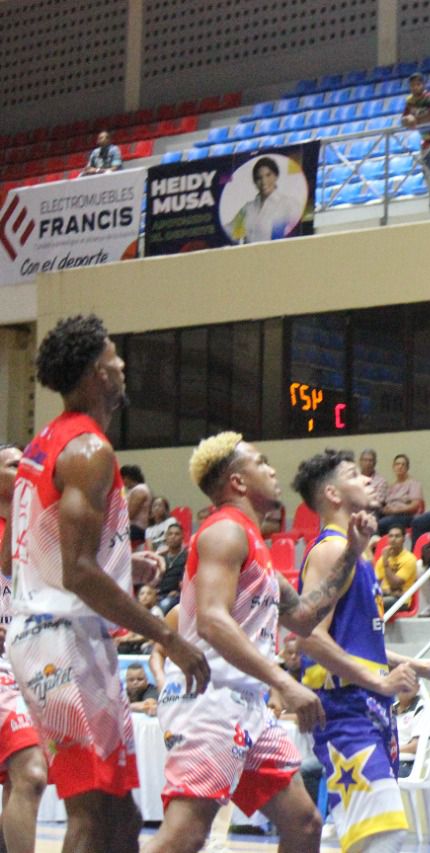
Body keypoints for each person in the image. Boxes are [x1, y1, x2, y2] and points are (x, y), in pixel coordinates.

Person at [7, 315, 209, 853]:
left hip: (53, 631)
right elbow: (77, 572)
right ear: (98, 372)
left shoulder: (44, 443)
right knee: (94, 810)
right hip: (61, 639)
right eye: (115, 358)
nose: (122, 366)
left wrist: (124, 561)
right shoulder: (89, 451)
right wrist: (166, 637)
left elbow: (27, 550)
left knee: (120, 815)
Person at [142, 433, 370, 853]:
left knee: (303, 824)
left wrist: (352, 551)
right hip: (207, 699)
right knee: (186, 835)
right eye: (261, 462)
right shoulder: (224, 532)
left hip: (246, 705)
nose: (272, 469)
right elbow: (212, 621)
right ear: (238, 483)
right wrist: (283, 682)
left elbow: (303, 616)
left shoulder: (253, 542)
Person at [291, 448, 430, 852]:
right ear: (333, 495)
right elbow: (310, 637)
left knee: (372, 838)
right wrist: (380, 682)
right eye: (355, 474)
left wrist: (421, 666)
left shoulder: (359, 552)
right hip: (344, 709)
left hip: (366, 707)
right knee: (380, 837)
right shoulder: (331, 550)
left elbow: (358, 643)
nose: (369, 479)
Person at [0, 441, 48, 853]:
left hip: (29, 664)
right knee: (31, 773)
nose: (25, 470)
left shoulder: (40, 527)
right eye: (15, 465)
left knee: (20, 779)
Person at [401, 72, 430, 209]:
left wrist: (415, 120)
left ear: (423, 85)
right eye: (412, 85)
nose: (415, 87)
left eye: (418, 84)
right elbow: (404, 119)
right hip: (426, 141)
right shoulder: (410, 101)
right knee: (426, 170)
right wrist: (406, 121)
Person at [228, 157, 300, 243]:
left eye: (268, 175)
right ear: (255, 182)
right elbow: (230, 231)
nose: (264, 181)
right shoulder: (248, 208)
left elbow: (296, 236)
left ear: (276, 176)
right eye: (259, 178)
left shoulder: (288, 204)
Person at [377, 454, 424, 535]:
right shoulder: (391, 486)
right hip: (389, 515)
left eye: (403, 464)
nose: (400, 466)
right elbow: (385, 503)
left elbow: (415, 506)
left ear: (407, 468)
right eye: (397, 464)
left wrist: (396, 511)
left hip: (405, 516)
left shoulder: (413, 484)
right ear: (393, 467)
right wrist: (384, 509)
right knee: (369, 521)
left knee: (379, 524)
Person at [374, 525, 418, 610]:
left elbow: (395, 584)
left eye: (397, 536)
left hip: (402, 600)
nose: (393, 539)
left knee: (375, 605)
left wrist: (386, 563)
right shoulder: (383, 559)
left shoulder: (409, 559)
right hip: (386, 594)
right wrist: (385, 591)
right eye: (390, 536)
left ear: (403, 539)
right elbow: (375, 583)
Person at [155, 523, 188, 613]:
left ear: (182, 537)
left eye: (177, 534)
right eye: (170, 534)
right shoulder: (160, 557)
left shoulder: (186, 557)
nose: (173, 537)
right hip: (157, 593)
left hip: (174, 595)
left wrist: (178, 591)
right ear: (166, 537)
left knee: (163, 607)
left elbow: (187, 580)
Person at [359, 448, 390, 515]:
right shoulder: (354, 478)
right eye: (365, 460)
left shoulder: (381, 481)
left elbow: (377, 503)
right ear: (360, 462)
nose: (367, 463)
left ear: (375, 463)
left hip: (372, 512)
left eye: (370, 460)